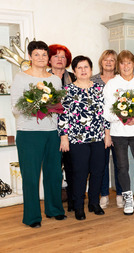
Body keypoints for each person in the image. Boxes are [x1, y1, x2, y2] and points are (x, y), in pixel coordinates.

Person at [11, 41, 66, 228]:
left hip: (52, 132)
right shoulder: (20, 78)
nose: (41, 58)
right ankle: (32, 217)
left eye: (44, 54)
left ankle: (55, 210)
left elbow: (59, 107)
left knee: (54, 174)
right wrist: (35, 106)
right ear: (30, 57)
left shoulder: (55, 80)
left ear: (48, 58)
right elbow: (15, 107)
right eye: (37, 54)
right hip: (29, 133)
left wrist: (50, 107)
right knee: (31, 176)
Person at [58, 55, 111, 220]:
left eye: (86, 67)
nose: (83, 70)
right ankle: (79, 206)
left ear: (91, 69)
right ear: (74, 71)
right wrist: (64, 137)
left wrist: (107, 135)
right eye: (79, 68)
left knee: (98, 171)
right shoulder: (67, 90)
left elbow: (105, 114)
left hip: (98, 137)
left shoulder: (99, 89)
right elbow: (63, 116)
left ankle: (94, 203)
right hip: (77, 140)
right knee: (80, 173)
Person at [103, 50, 134, 215]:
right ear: (118, 65)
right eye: (122, 63)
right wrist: (121, 117)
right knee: (122, 167)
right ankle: (127, 197)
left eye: (129, 62)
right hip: (119, 132)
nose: (126, 66)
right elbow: (106, 112)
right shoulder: (111, 84)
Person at [91, 50, 124, 209]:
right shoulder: (93, 80)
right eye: (106, 59)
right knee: (101, 163)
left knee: (120, 163)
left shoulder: (121, 80)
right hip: (98, 129)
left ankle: (119, 194)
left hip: (118, 128)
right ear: (101, 62)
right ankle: (103, 194)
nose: (109, 62)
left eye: (112, 60)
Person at [48, 44, 76, 212]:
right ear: (49, 59)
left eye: (63, 56)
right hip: (50, 129)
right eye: (56, 56)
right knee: (54, 168)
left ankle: (73, 200)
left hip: (72, 131)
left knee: (73, 167)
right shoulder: (42, 78)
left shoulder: (73, 77)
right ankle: (54, 203)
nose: (60, 59)